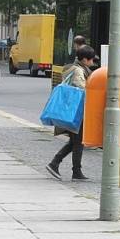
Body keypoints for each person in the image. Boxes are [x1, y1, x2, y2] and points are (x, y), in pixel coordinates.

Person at [46, 44, 96, 181]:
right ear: (85, 60)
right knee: (78, 141)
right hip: (76, 112)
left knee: (75, 141)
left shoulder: (71, 68)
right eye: (92, 60)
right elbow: (81, 89)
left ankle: (59, 165)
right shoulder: (78, 71)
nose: (93, 62)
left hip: (72, 111)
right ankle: (70, 169)